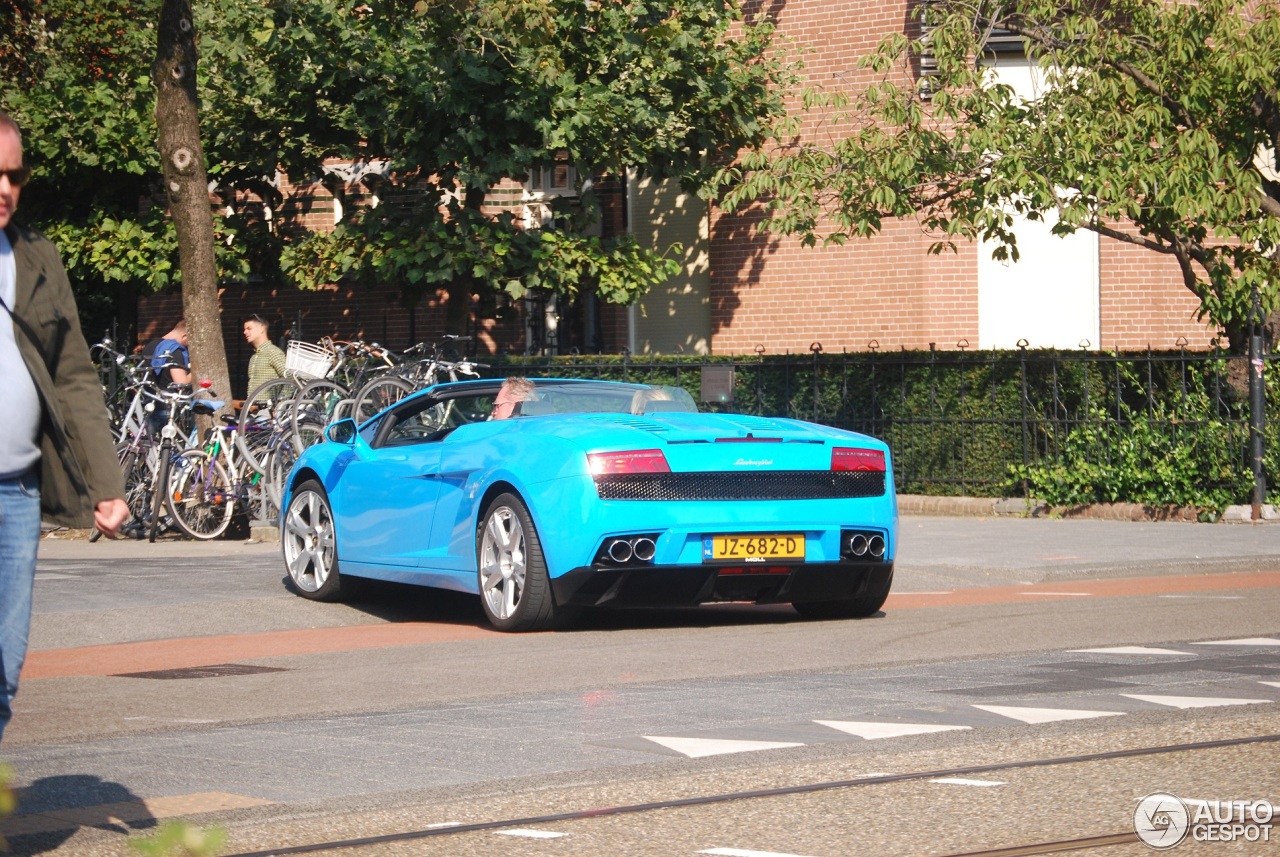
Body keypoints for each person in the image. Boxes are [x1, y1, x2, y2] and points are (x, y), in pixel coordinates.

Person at [0, 110, 128, 744]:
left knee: (2, 668)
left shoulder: (37, 258)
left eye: (13, 174)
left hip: (16, 492)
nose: (4, 188)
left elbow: (75, 374)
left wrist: (106, 483)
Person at [243, 313, 286, 396]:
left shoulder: (273, 352)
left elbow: (290, 380)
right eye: (244, 329)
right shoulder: (254, 356)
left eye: (249, 328)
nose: (245, 332)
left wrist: (280, 405)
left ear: (262, 329)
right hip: (253, 406)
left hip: (268, 407)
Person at [148, 319, 191, 388]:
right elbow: (181, 384)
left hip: (149, 396)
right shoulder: (175, 350)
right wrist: (196, 371)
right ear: (184, 337)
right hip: (171, 397)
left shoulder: (149, 346)